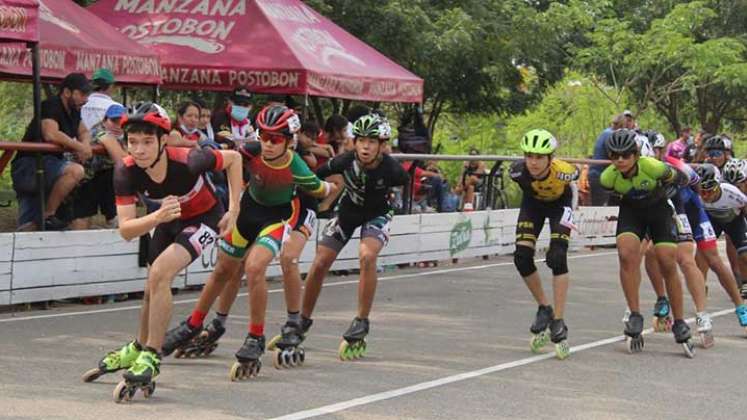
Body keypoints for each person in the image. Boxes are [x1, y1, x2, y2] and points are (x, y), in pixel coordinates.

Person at [80, 103, 243, 402]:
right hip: (167, 219)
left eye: (147, 141)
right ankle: (139, 346)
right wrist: (156, 218)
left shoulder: (190, 159)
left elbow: (233, 159)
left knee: (160, 273)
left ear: (163, 141)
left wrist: (234, 210)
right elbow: (127, 230)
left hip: (204, 218)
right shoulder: (125, 172)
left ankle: (152, 355)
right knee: (149, 288)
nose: (139, 150)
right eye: (133, 142)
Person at [159, 105, 334, 377]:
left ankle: (256, 336)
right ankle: (194, 324)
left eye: (275, 139)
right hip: (248, 212)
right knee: (223, 270)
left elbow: (320, 189)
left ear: (289, 141)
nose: (268, 144)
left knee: (254, 268)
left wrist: (330, 188)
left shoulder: (296, 164)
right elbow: (228, 162)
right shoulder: (251, 151)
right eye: (263, 136)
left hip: (278, 218)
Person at [301, 113, 408, 361]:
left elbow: (402, 186)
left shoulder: (393, 169)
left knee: (367, 256)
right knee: (320, 262)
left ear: (383, 146)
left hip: (377, 214)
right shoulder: (344, 161)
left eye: (372, 141)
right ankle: (302, 320)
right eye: (361, 141)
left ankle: (361, 320)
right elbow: (315, 177)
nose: (365, 147)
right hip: (348, 212)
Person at [600, 128, 696, 357]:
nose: (620, 160)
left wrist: (672, 187)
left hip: (659, 212)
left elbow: (683, 177)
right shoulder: (608, 177)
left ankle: (680, 321)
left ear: (635, 154)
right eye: (615, 156)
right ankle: (635, 314)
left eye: (626, 155)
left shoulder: (652, 166)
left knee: (666, 261)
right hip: (632, 214)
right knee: (625, 255)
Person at [509, 129, 578, 359]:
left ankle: (559, 320)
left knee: (557, 256)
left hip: (561, 203)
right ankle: (544, 308)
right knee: (521, 257)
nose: (534, 162)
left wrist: (569, 217)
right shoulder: (517, 172)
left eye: (540, 157)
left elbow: (576, 181)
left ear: (551, 158)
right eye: (529, 156)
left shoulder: (564, 173)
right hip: (533, 205)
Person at [11, 72, 92, 231]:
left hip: (49, 166)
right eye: (82, 93)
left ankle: (35, 227)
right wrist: (79, 147)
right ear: (67, 92)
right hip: (30, 165)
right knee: (75, 171)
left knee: (28, 225)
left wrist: (86, 144)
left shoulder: (75, 111)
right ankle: (48, 215)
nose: (86, 99)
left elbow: (84, 132)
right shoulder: (51, 105)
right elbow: (51, 133)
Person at [695, 164, 747, 324]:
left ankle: (745, 282)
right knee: (701, 254)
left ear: (718, 186)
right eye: (702, 191)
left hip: (734, 221)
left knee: (744, 254)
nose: (706, 195)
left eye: (709, 191)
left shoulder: (730, 192)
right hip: (713, 221)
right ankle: (700, 284)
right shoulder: (697, 196)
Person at [70, 104, 128, 230]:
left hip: (98, 178)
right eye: (114, 121)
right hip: (84, 179)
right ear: (105, 120)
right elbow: (122, 160)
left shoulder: (122, 136)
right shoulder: (100, 133)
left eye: (121, 121)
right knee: (82, 215)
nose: (118, 125)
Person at [589, 113, 626, 205]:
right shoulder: (611, 135)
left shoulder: (606, 132)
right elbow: (613, 154)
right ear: (622, 125)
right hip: (600, 175)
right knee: (600, 206)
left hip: (597, 174)